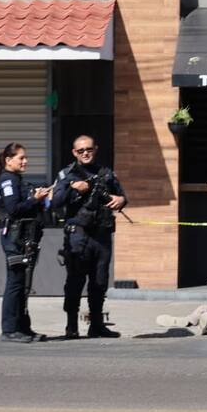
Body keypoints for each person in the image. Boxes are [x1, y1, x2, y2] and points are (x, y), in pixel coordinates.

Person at [52, 134, 128, 339]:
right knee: (75, 280)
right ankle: (71, 326)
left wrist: (121, 199)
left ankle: (96, 325)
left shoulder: (106, 173)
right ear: (74, 153)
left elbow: (122, 197)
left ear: (96, 149)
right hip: (79, 235)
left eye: (89, 149)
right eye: (80, 151)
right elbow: (55, 202)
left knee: (99, 281)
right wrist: (72, 188)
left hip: (101, 234)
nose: (85, 153)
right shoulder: (67, 174)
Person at [0, 143, 51, 343]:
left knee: (24, 284)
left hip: (26, 237)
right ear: (9, 160)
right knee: (15, 283)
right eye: (21, 158)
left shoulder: (17, 180)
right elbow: (13, 209)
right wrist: (35, 199)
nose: (25, 161)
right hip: (15, 238)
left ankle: (23, 328)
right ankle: (9, 330)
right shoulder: (7, 180)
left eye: (26, 158)